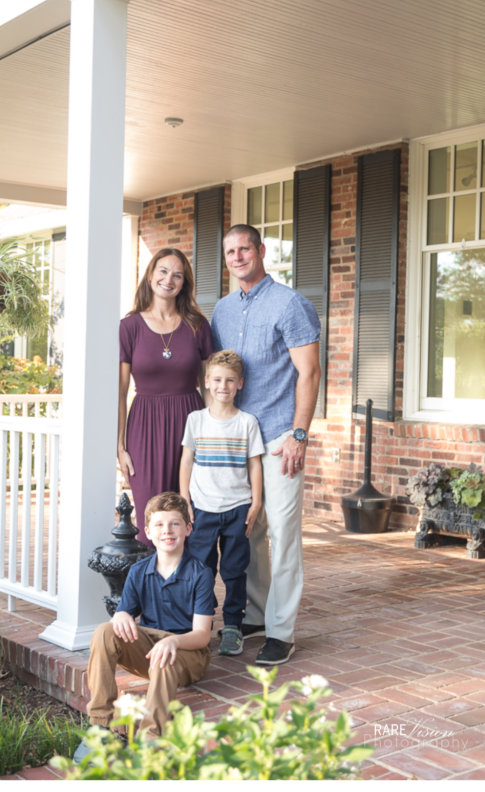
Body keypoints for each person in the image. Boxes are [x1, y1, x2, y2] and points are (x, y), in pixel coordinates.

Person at [211, 224, 322, 666]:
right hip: (239, 440)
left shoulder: (290, 304)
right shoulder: (221, 310)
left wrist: (299, 434)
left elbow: (309, 373)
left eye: (244, 249)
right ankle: (256, 614)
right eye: (230, 252)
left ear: (260, 251)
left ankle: (282, 629)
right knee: (248, 532)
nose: (237, 257)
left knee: (282, 532)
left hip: (278, 439)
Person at [74, 492, 214, 760]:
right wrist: (121, 615)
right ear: (148, 532)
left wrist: (173, 641)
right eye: (160, 525)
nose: (167, 531)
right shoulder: (139, 571)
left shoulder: (200, 574)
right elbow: (124, 613)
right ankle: (100, 729)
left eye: (175, 523)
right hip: (150, 648)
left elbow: (202, 636)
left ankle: (151, 740)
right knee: (104, 630)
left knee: (166, 656)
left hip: (188, 652)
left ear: (188, 528)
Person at [119, 248, 214, 546]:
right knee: (155, 518)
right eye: (162, 271)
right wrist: (119, 446)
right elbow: (120, 393)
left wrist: (213, 435)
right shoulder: (129, 326)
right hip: (145, 428)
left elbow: (209, 387)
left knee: (190, 517)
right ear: (150, 276)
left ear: (184, 283)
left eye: (177, 275)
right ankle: (152, 590)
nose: (168, 279)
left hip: (191, 424)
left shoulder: (198, 325)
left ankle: (186, 590)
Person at [179, 350, 264, 657]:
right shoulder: (196, 420)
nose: (223, 386)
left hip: (237, 508)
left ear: (240, 384)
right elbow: (186, 461)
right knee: (200, 569)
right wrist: (185, 500)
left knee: (234, 571)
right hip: (202, 509)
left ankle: (232, 627)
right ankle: (198, 622)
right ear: (207, 382)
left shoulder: (247, 423)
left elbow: (254, 465)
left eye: (229, 380)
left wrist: (255, 503)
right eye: (217, 380)